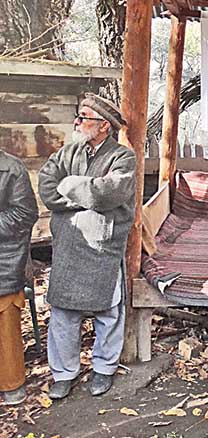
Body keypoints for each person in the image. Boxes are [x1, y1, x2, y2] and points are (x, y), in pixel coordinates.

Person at [38, 93, 135, 399]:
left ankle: (104, 369)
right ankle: (64, 373)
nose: (77, 122)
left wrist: (69, 185)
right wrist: (83, 196)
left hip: (102, 244)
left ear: (104, 125)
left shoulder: (123, 158)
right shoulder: (67, 153)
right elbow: (47, 188)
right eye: (78, 116)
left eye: (84, 117)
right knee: (63, 313)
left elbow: (106, 193)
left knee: (108, 311)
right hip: (69, 243)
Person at [0, 149, 39, 406]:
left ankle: (11, 383)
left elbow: (25, 214)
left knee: (5, 323)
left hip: (3, 260)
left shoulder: (10, 168)